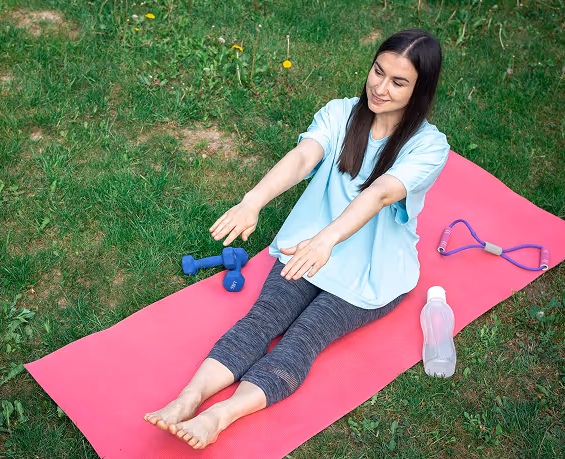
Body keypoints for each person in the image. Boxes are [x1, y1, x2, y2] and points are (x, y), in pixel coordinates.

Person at [144, 28, 450, 450]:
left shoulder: (429, 147)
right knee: (262, 320)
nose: (379, 88)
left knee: (303, 337)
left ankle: (220, 415)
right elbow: (304, 156)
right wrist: (253, 201)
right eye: (378, 72)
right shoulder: (341, 113)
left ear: (420, 90)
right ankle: (188, 399)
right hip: (305, 249)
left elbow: (380, 194)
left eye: (398, 82)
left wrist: (325, 242)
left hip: (370, 271)